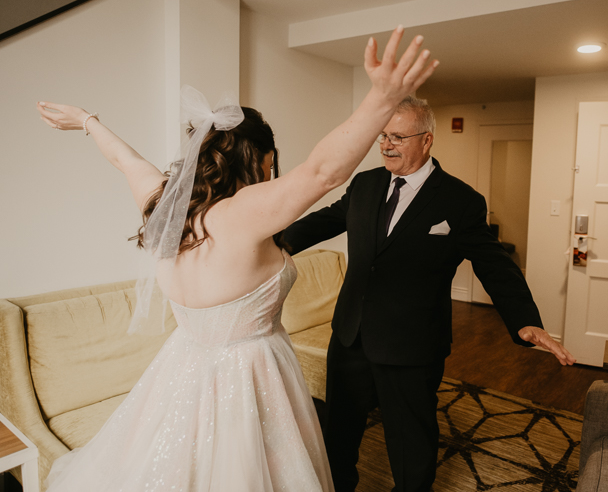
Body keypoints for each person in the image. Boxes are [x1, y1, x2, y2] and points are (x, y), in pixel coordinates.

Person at [35, 25, 437, 491]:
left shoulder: (164, 205)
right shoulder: (244, 213)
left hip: (182, 366)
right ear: (260, 157)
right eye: (270, 160)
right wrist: (382, 99)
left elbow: (126, 160)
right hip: (250, 375)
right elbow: (324, 171)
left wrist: (88, 121)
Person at [282, 96, 576, 492]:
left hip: (411, 346)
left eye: (398, 137)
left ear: (427, 140)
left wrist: (525, 319)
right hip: (351, 335)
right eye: (383, 136)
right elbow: (323, 222)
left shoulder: (460, 200)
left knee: (411, 446)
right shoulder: (366, 184)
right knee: (338, 436)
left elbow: (493, 263)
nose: (386, 145)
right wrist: (264, 242)